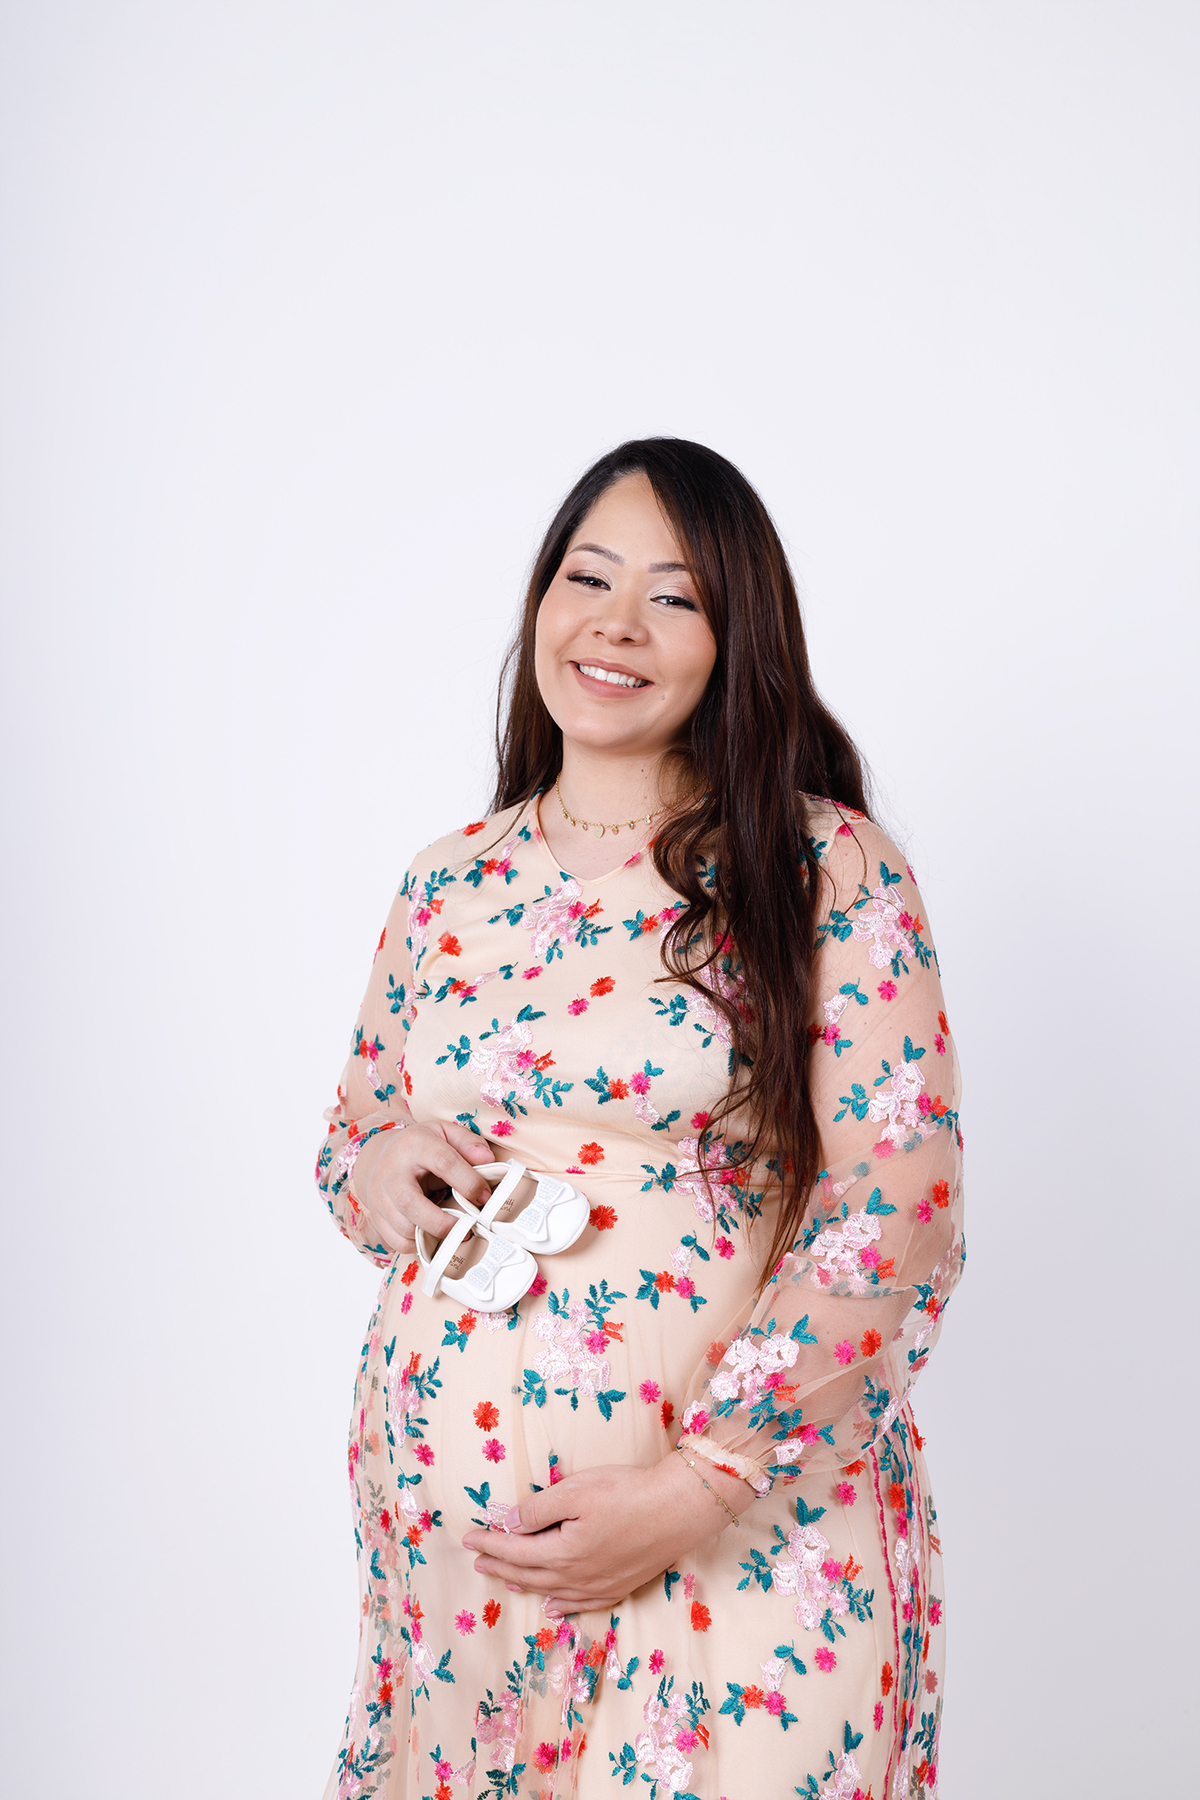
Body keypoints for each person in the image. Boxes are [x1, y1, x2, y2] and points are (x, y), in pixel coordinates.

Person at [316, 439, 964, 1800]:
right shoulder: (447, 882)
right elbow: (357, 1133)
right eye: (587, 578)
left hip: (746, 1541)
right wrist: (380, 1165)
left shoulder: (820, 863)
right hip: (463, 1575)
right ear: (540, 602)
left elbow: (896, 1206)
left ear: (738, 643)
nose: (615, 624)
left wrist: (699, 1487)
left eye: (673, 597)